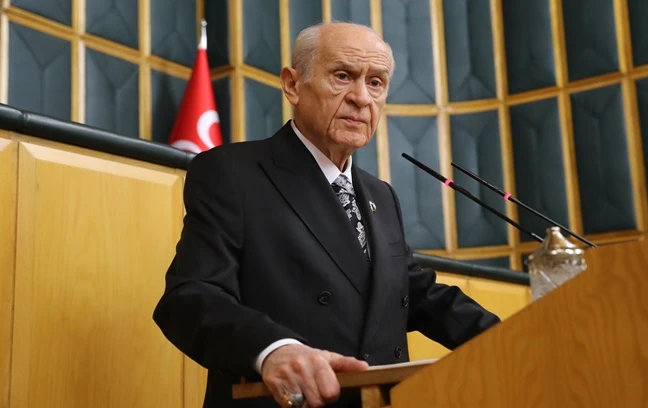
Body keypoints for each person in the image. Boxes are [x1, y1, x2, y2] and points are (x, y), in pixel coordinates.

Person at [153, 21, 500, 408]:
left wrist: (516, 336)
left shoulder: (381, 195)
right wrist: (272, 349)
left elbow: (411, 292)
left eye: (376, 83)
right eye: (342, 76)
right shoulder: (233, 173)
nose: (361, 98)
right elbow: (190, 297)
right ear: (292, 85)